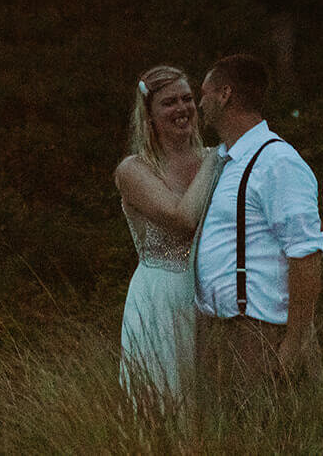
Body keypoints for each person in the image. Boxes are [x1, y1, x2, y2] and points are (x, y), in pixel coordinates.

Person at [191, 54, 323, 392]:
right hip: (218, 331)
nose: (199, 103)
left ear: (225, 94)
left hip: (258, 334)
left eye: (203, 93)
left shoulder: (276, 161)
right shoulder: (227, 161)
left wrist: (295, 341)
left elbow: (306, 255)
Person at [114, 65, 225, 405]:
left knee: (213, 405)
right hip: (160, 298)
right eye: (169, 102)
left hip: (213, 293)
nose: (182, 109)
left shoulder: (220, 159)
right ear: (149, 115)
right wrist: (213, 158)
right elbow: (182, 219)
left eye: (188, 99)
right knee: (165, 406)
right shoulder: (134, 170)